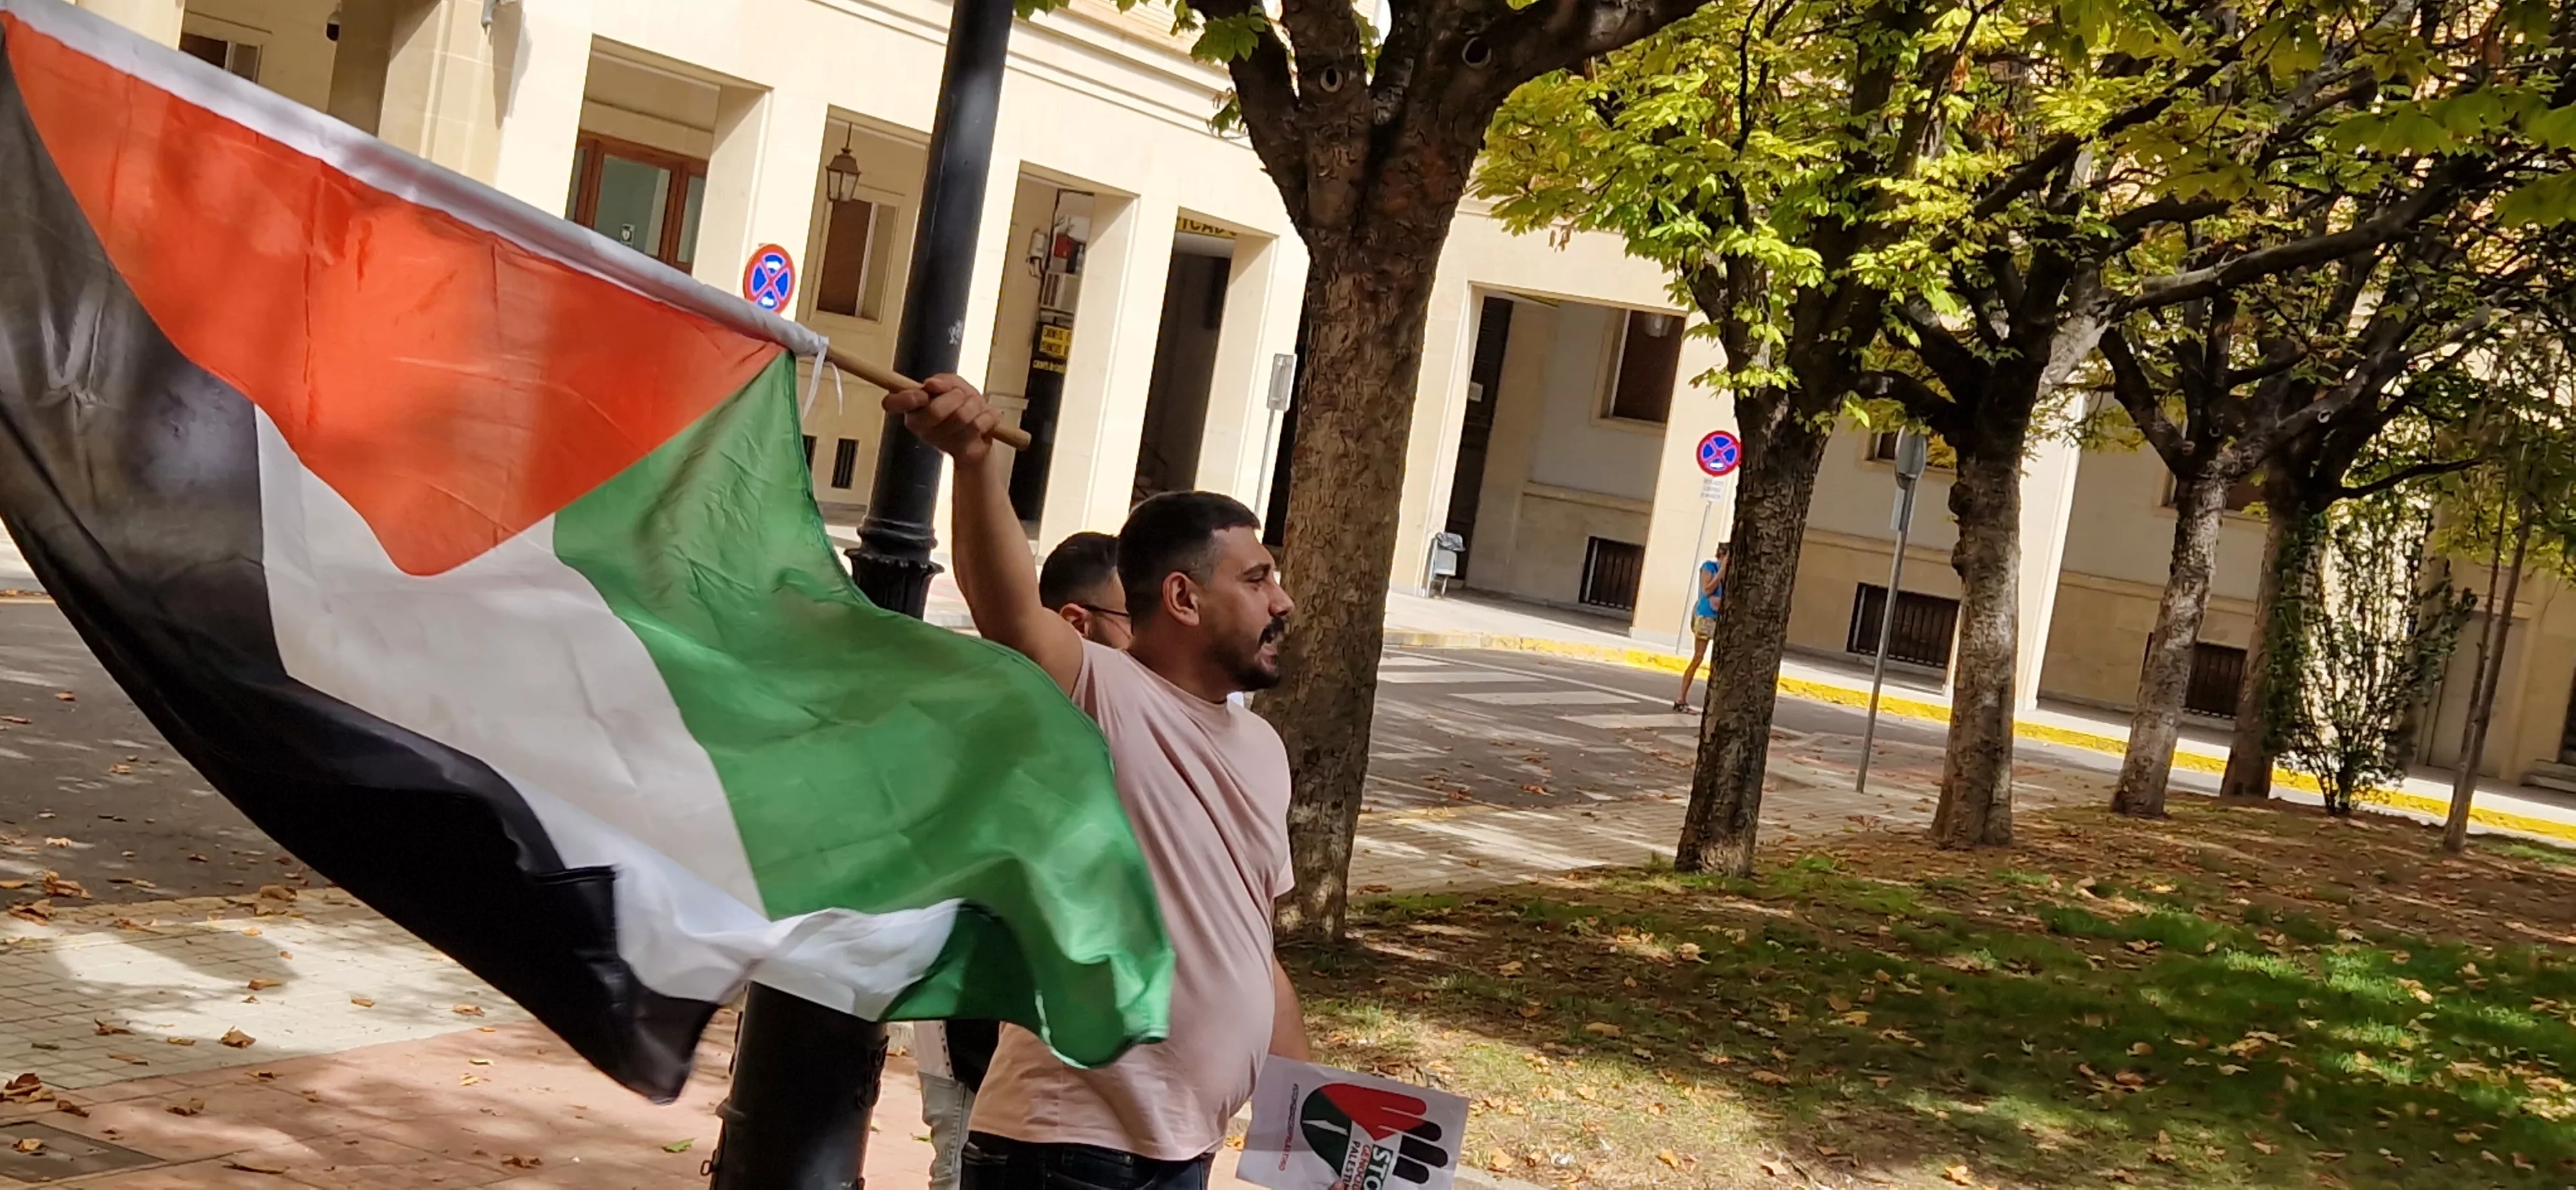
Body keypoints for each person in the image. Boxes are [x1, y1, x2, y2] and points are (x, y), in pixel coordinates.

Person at [887, 372, 1308, 1190]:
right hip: (1067, 1153)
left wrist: (1318, 1123)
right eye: (1256, 580)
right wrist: (975, 463)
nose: (1282, 600)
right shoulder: (1104, 696)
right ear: (1183, 598)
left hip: (1181, 1153)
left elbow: (1251, 949)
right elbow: (1007, 608)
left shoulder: (1260, 748)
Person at [918, 529, 1135, 1190]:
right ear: (1077, 621)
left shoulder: (1121, 724)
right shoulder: (1012, 721)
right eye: (1135, 619)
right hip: (981, 1053)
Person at [1674, 543, 1730, 712]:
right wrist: (1721, 572)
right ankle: (1681, 698)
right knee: (1698, 657)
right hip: (1706, 616)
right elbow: (1706, 590)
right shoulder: (1709, 568)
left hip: (1720, 618)